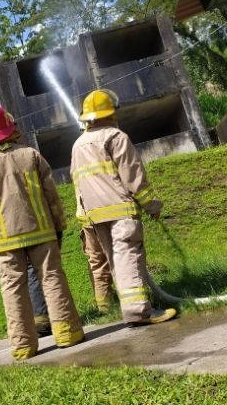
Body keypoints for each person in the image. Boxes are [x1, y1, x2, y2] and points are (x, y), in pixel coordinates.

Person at [0, 104, 84, 360]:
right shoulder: (31, 155)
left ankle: (23, 346)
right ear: (10, 128)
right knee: (52, 279)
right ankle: (68, 333)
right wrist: (59, 227)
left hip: (3, 240)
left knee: (12, 290)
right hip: (41, 231)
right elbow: (52, 196)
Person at [70, 89, 178, 326]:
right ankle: (139, 312)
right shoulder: (115, 136)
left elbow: (77, 181)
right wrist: (151, 205)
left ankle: (130, 309)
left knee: (116, 262)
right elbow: (133, 175)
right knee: (128, 257)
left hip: (94, 216)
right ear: (111, 112)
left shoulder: (78, 145)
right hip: (119, 209)